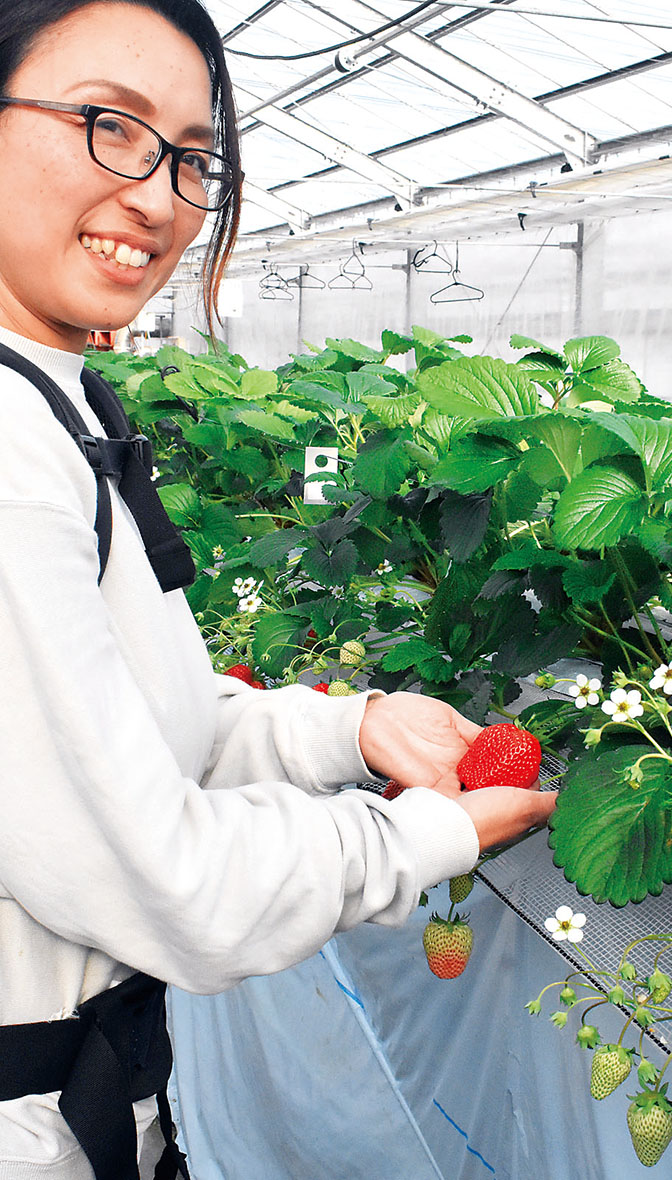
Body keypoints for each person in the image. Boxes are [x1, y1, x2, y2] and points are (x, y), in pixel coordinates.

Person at [0, 2, 557, 1177]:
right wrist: (422, 835)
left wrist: (345, 729)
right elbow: (170, 881)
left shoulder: (58, 399)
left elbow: (141, 727)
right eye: (108, 123)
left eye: (192, 158)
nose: (158, 196)